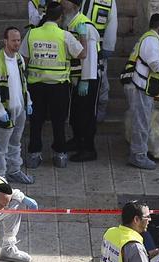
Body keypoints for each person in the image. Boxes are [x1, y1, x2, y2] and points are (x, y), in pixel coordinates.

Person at [20, 2, 86, 169]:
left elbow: (24, 60)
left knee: (36, 121)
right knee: (58, 121)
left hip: (36, 86)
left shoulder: (31, 34)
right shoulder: (65, 36)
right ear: (60, 17)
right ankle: (60, 154)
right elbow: (83, 53)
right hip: (59, 87)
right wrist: (83, 36)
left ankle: (34, 153)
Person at [122, 13, 159, 170]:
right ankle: (138, 156)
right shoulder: (151, 40)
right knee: (141, 122)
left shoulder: (149, 39)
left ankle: (140, 152)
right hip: (139, 86)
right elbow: (155, 65)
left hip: (140, 85)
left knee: (142, 121)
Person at [0, 26, 34, 184]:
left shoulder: (18, 59)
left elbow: (23, 83)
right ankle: (0, 176)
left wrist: (28, 102)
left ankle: (14, 170)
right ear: (5, 41)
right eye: (13, 40)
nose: (17, 43)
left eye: (18, 40)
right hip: (4, 112)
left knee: (15, 143)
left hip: (19, 110)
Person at [61, 0, 102, 162]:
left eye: (66, 2)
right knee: (76, 114)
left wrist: (86, 79)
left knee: (86, 115)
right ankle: (78, 140)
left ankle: (88, 148)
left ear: (75, 5)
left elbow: (90, 57)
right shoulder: (70, 23)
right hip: (77, 78)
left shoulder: (86, 26)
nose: (62, 4)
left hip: (88, 79)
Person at [80, 0, 118, 123]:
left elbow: (112, 24)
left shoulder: (109, 1)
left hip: (98, 48)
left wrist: (108, 47)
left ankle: (100, 109)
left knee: (101, 80)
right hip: (75, 46)